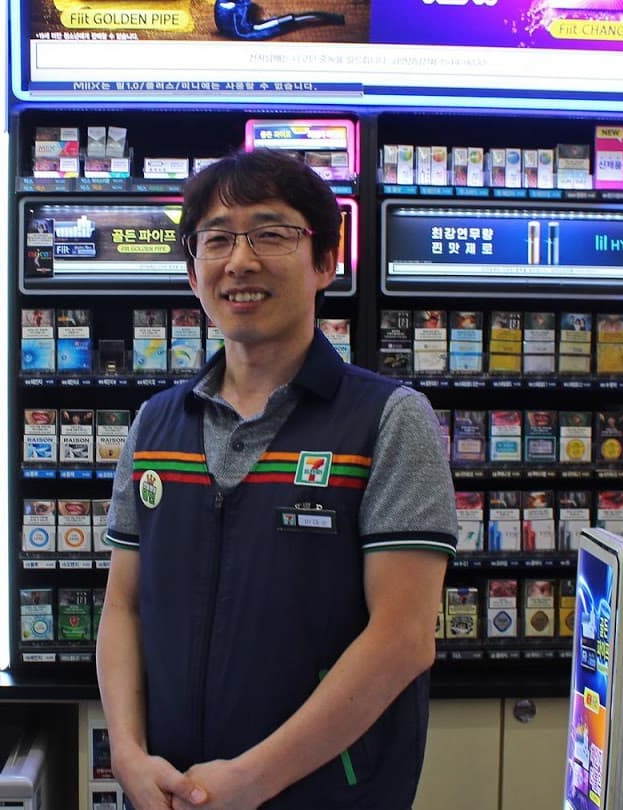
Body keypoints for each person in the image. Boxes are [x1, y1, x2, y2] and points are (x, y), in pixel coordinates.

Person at [98, 149, 456, 810]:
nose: (240, 261)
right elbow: (124, 604)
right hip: (171, 791)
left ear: (325, 262)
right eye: (217, 239)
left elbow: (404, 638)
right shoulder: (155, 424)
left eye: (270, 234)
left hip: (326, 795)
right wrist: (125, 752)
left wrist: (253, 780)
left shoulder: (387, 419)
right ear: (192, 271)